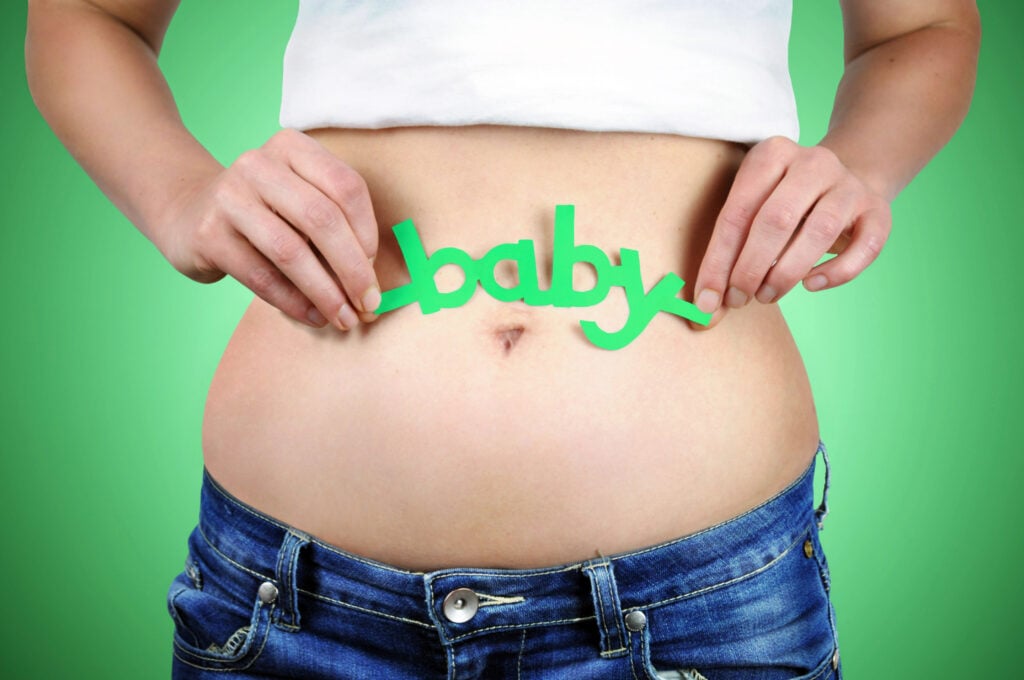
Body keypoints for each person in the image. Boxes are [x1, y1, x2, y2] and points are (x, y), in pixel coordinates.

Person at [26, 1, 980, 678]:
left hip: (700, 607)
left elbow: (923, 27)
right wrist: (180, 194)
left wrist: (861, 167)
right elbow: (86, 17)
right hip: (293, 607)